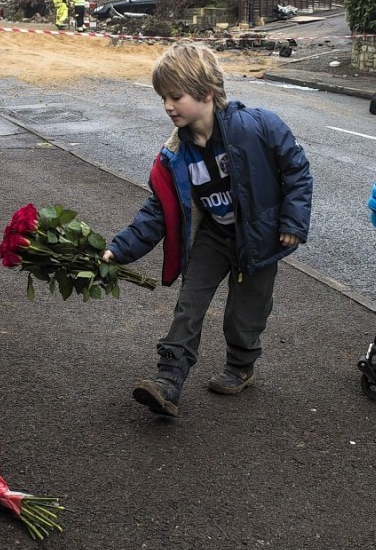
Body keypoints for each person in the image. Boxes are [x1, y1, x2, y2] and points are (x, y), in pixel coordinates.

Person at [103, 41, 313, 417]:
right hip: (214, 237)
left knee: (244, 315)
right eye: (162, 98)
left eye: (175, 96)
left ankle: (240, 366)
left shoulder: (258, 127)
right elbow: (158, 210)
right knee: (189, 305)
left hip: (259, 241)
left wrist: (293, 223)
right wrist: (119, 249)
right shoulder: (176, 154)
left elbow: (297, 171)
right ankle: (168, 379)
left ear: (206, 93)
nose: (167, 106)